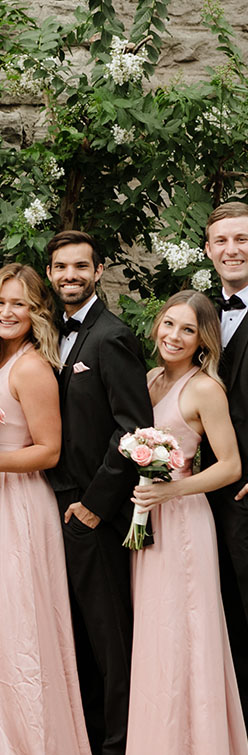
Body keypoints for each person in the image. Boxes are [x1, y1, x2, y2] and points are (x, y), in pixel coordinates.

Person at [0, 264, 95, 755]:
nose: (5, 313)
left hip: (20, 507)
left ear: (36, 311)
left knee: (21, 633)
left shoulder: (34, 368)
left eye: (18, 304)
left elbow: (50, 450)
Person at [121, 290, 248, 755]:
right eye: (169, 324)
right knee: (154, 640)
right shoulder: (148, 381)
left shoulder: (205, 389)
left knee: (185, 639)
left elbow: (231, 466)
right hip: (144, 520)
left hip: (184, 525)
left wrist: (172, 488)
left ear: (203, 341)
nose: (174, 336)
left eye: (187, 330)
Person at [44, 231, 152, 755]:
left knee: (110, 642)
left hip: (93, 515)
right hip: (53, 512)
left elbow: (132, 428)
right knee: (76, 640)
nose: (69, 275)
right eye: (61, 266)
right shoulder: (49, 338)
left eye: (80, 267)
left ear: (98, 270)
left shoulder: (111, 337)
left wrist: (94, 505)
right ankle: (86, 754)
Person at [204, 201, 248, 714]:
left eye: (241, 239)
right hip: (206, 497)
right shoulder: (203, 317)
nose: (231, 250)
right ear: (209, 249)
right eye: (222, 241)